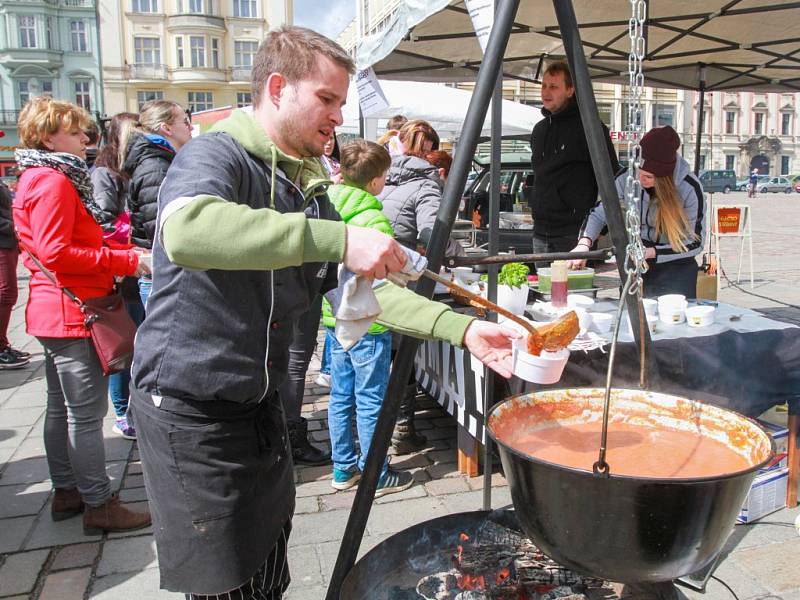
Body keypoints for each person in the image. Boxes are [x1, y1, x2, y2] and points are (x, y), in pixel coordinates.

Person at [129, 26, 518, 599]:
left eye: (341, 101)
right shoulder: (217, 155)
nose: (338, 116)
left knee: (267, 571)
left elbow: (359, 294)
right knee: (225, 587)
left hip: (258, 403)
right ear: (279, 88)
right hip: (193, 409)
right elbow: (186, 229)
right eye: (327, 99)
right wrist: (335, 239)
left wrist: (462, 329)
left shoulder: (301, 185)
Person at [12, 96, 151, 534]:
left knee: (62, 409)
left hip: (58, 308)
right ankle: (98, 501)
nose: (85, 139)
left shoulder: (38, 176)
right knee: (84, 415)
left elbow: (55, 245)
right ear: (48, 136)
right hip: (74, 310)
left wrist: (121, 252)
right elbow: (57, 252)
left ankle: (68, 491)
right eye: (74, 131)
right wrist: (125, 262)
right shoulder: (52, 180)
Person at [322, 139, 414, 496]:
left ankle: (343, 467)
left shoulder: (326, 206)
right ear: (377, 180)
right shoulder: (373, 217)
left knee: (341, 396)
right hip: (368, 321)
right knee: (371, 398)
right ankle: (376, 471)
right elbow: (386, 271)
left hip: (334, 317)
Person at [378, 120, 459, 453]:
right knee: (403, 349)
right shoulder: (426, 182)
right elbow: (431, 234)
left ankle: (384, 421)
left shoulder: (384, 176)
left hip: (374, 272)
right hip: (399, 274)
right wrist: (457, 253)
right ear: (431, 150)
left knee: (383, 350)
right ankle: (402, 427)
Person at [569, 126, 705, 298]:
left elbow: (696, 243)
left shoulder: (689, 188)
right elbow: (599, 213)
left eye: (648, 177)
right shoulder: (626, 177)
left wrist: (653, 253)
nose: (640, 180)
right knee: (631, 317)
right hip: (637, 261)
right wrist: (584, 243)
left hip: (676, 263)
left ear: (665, 179)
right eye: (638, 172)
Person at [529, 60, 620, 268]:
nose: (546, 92)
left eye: (554, 87)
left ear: (570, 90)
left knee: (574, 296)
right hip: (541, 232)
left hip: (575, 233)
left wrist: (595, 231)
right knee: (544, 295)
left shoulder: (591, 128)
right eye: (544, 86)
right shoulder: (539, 130)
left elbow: (612, 181)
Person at [91, 112, 143, 439]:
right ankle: (122, 411)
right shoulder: (105, 175)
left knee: (137, 339)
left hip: (136, 267)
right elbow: (104, 221)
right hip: (121, 268)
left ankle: (132, 406)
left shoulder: (131, 171)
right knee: (123, 342)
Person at [119, 100, 192, 307]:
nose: (190, 127)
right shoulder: (156, 166)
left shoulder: (159, 160)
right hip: (164, 278)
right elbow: (162, 230)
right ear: (166, 128)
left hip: (163, 276)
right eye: (185, 121)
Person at [0, 177, 29, 369]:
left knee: (7, 293)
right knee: (5, 293)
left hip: (7, 242)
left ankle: (3, 344)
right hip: (3, 241)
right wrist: (16, 227)